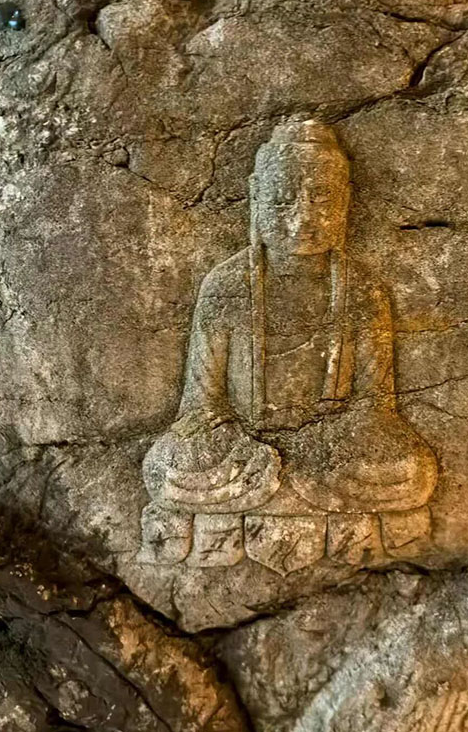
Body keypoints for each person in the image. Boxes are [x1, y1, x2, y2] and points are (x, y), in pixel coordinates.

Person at [141, 119, 436, 536]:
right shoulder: (226, 285)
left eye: (322, 199)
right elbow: (200, 406)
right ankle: (279, 485)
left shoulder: (363, 290)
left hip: (332, 451)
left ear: (345, 201)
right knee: (168, 468)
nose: (302, 219)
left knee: (411, 472)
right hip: (243, 451)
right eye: (281, 201)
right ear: (255, 196)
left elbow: (375, 406)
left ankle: (274, 488)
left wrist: (335, 438)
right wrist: (229, 440)